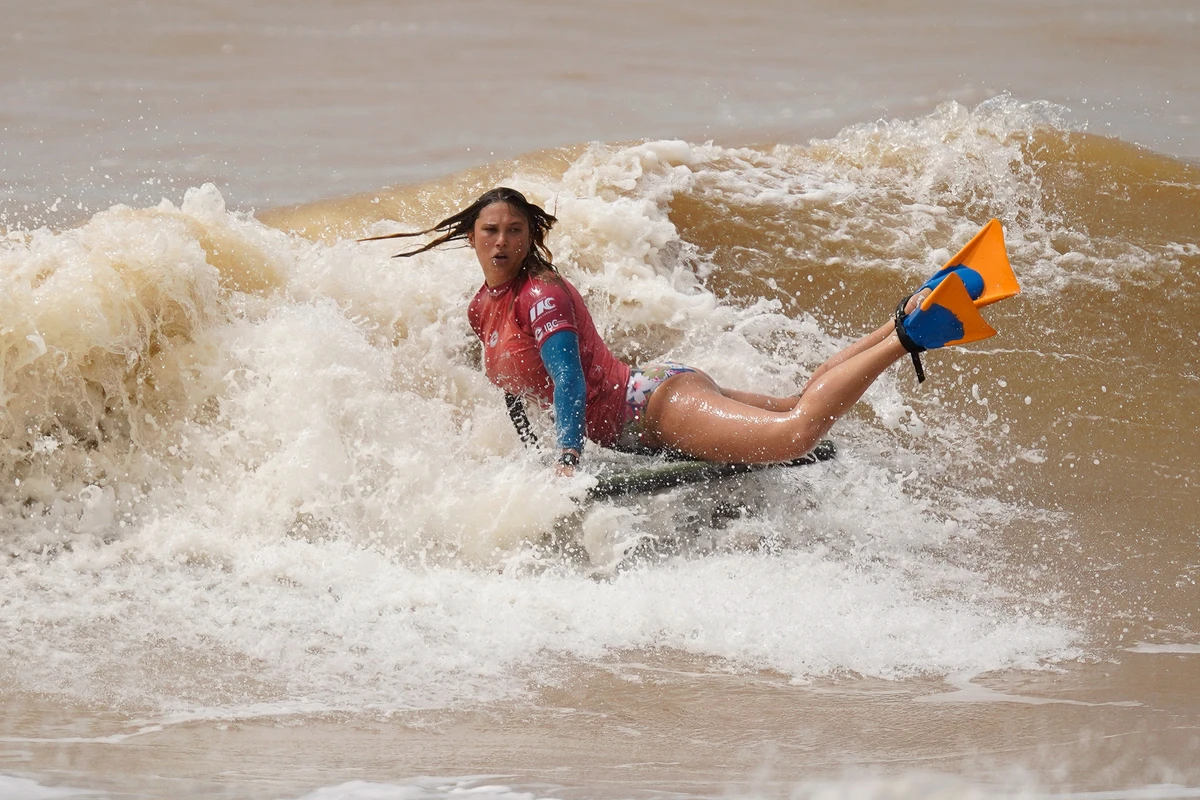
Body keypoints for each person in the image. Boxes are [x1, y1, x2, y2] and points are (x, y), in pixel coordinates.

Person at [362, 187, 1009, 474]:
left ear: (532, 238)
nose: (501, 241)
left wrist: (565, 461)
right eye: (489, 231)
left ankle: (913, 335)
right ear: (471, 239)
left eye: (514, 230)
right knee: (794, 400)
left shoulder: (540, 298)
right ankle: (919, 305)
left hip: (656, 414)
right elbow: (517, 389)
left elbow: (565, 382)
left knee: (795, 432)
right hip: (656, 396)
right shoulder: (485, 305)